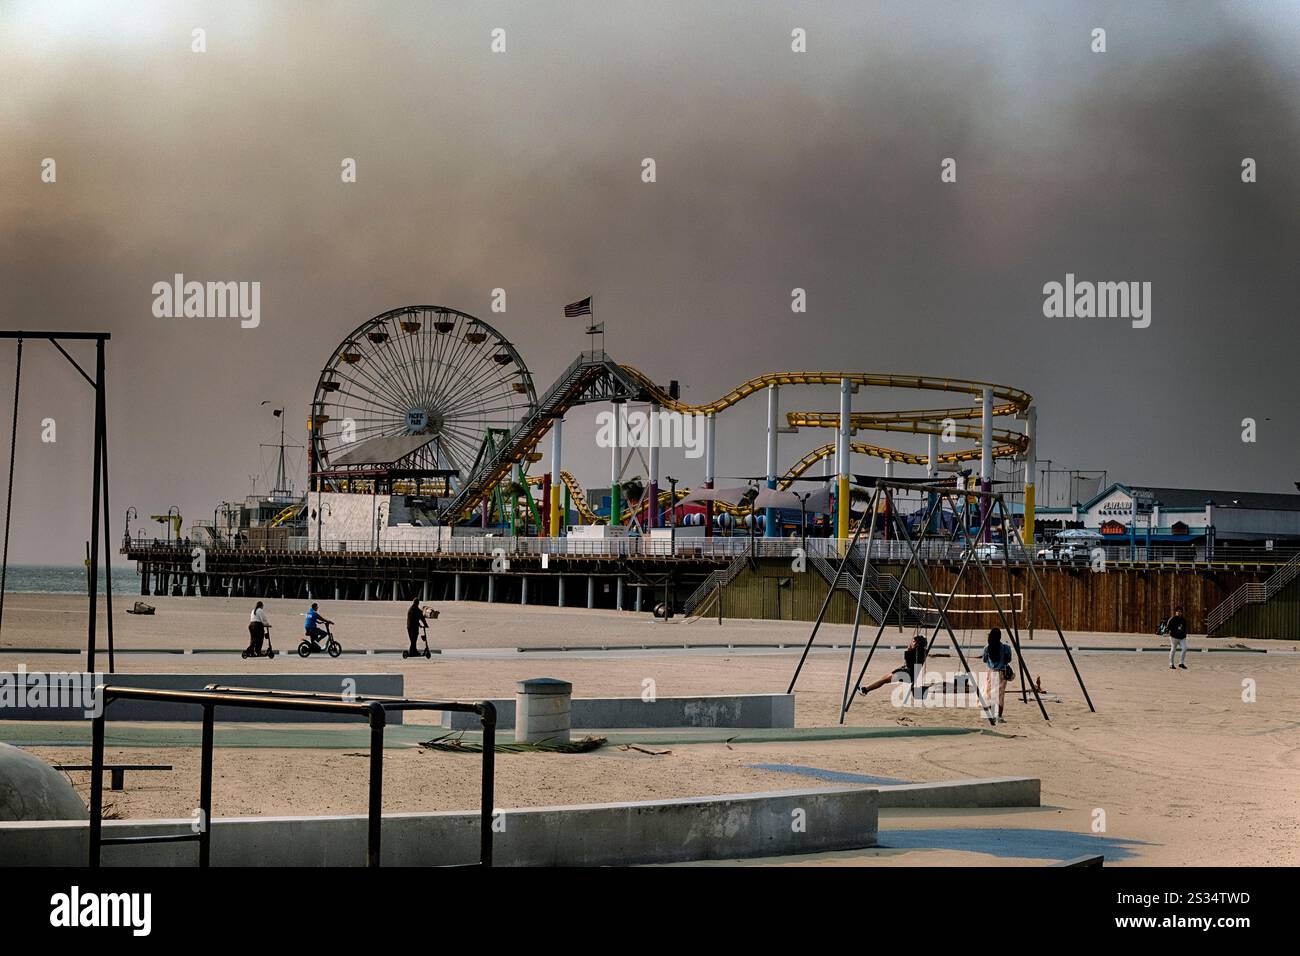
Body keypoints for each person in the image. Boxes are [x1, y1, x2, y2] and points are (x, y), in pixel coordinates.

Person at [859, 634, 928, 696]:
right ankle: (865, 689)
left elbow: (909, 663)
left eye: (913, 641)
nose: (911, 643)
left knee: (884, 680)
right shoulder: (923, 651)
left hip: (907, 674)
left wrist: (908, 651)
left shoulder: (915, 652)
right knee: (884, 678)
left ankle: (865, 690)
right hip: (907, 673)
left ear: (917, 643)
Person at [980, 627, 1015, 722]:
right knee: (1000, 696)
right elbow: (1008, 659)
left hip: (991, 672)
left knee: (989, 694)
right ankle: (999, 716)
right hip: (1001, 672)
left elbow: (984, 660)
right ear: (1000, 637)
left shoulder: (987, 647)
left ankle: (990, 715)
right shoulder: (1005, 648)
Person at [1167, 606, 1189, 670]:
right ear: (1175, 612)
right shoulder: (1172, 619)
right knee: (1173, 650)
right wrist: (1171, 632)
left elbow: (1185, 629)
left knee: (1184, 648)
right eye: (1177, 611)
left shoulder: (1183, 620)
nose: (1179, 613)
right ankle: (1171, 664)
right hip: (1174, 637)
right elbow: (1168, 627)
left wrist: (1184, 636)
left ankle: (1181, 663)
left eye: (1180, 611)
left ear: (1182, 613)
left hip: (1182, 638)